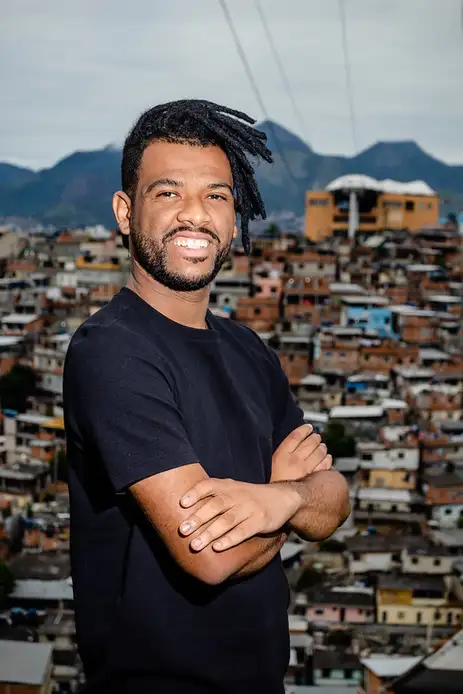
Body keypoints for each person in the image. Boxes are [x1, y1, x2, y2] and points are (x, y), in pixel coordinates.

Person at [64, 99, 350, 694]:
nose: (195, 216)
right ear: (124, 211)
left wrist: (284, 497)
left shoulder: (250, 350)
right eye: (168, 193)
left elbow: (334, 501)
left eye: (217, 196)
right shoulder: (111, 352)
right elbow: (209, 555)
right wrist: (287, 500)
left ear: (235, 215)